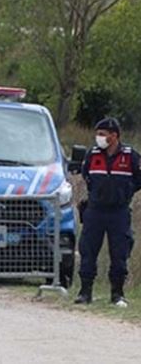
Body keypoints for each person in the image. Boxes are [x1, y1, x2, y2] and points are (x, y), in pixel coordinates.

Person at [75, 117, 141, 307]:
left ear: (114, 136)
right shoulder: (92, 154)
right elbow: (86, 175)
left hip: (119, 212)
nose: (99, 138)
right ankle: (85, 292)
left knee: (119, 253)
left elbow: (138, 179)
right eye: (98, 134)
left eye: (103, 134)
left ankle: (117, 294)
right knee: (88, 251)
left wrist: (126, 191)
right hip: (95, 210)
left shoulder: (130, 156)